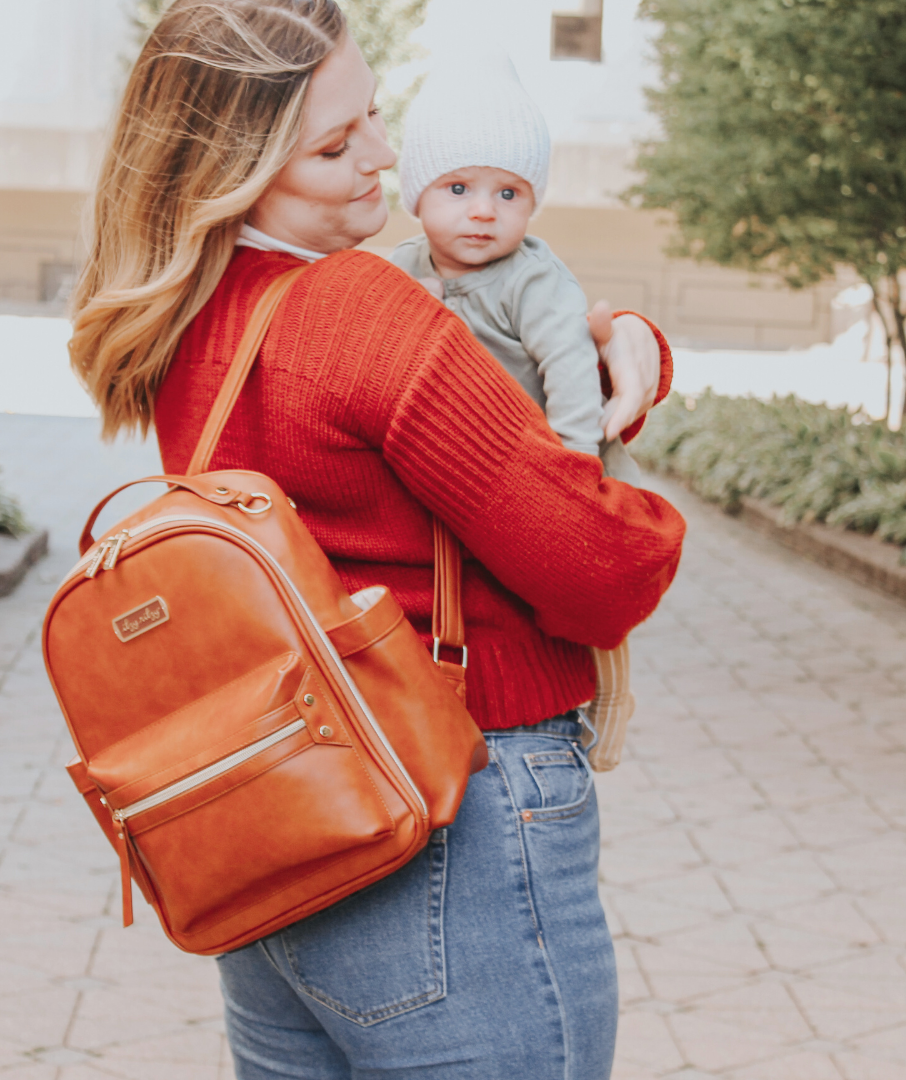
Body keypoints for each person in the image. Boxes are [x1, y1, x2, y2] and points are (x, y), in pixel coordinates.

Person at [68, 2, 685, 1077]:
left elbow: (476, 371)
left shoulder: (183, 312)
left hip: (281, 830)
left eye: (374, 117)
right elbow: (603, 569)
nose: (384, 157)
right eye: (334, 143)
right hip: (453, 820)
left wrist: (620, 340)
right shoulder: (360, 308)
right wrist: (653, 480)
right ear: (240, 163)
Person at [391, 56, 639, 772]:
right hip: (469, 468)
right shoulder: (399, 269)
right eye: (458, 187)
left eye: (509, 192)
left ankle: (608, 682)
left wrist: (574, 466)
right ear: (417, 194)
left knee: (580, 588)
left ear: (532, 205)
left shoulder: (532, 276)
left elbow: (568, 367)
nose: (481, 210)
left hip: (555, 455)